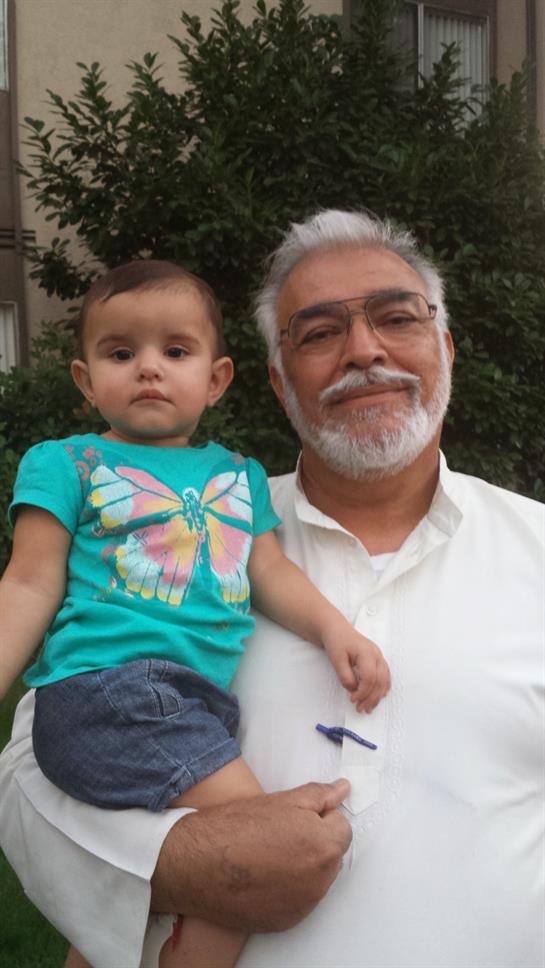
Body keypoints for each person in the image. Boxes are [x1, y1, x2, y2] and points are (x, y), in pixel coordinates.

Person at [1, 210, 543, 968]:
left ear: (444, 348)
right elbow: (31, 776)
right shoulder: (196, 533)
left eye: (396, 317)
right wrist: (193, 861)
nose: (363, 350)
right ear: (276, 382)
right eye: (318, 334)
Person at [0, 257, 390, 968]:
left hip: (190, 705)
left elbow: (267, 570)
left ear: (215, 379)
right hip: (109, 692)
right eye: (122, 353)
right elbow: (27, 586)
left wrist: (336, 629)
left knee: (137, 891)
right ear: (86, 380)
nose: (149, 368)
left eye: (174, 351)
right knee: (265, 858)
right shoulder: (67, 463)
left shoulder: (235, 476)